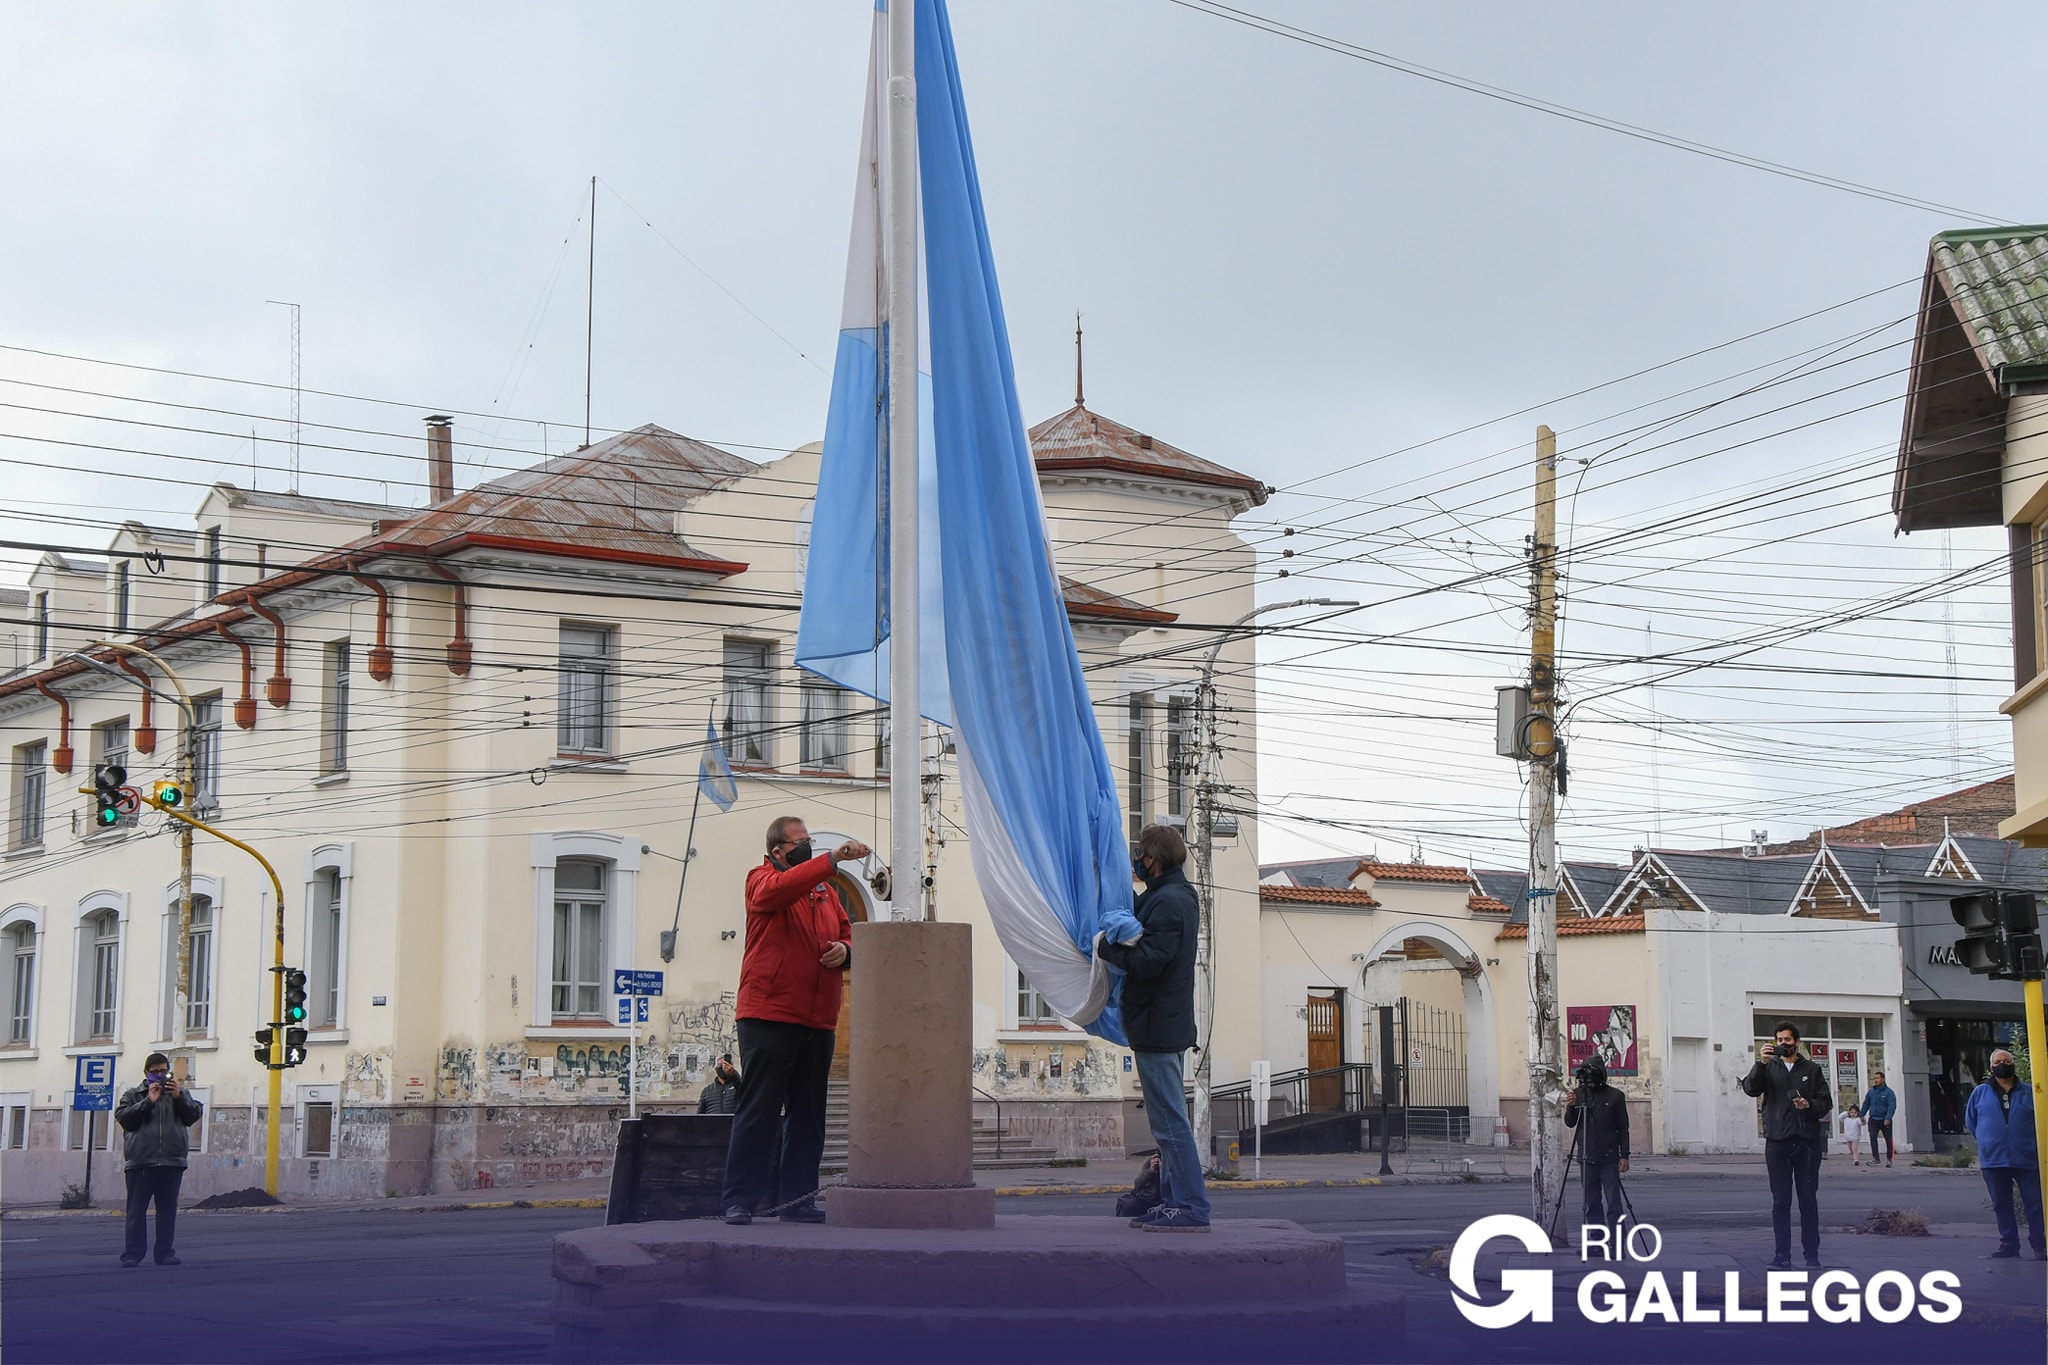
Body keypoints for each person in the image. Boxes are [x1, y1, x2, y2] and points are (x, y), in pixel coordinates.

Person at [720, 816, 866, 1226]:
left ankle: (797, 1200)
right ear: (779, 850)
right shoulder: (761, 878)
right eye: (801, 843)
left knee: (808, 1114)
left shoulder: (824, 892)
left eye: (810, 842)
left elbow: (849, 932)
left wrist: (845, 950)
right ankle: (739, 1200)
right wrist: (831, 860)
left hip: (818, 1017)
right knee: (759, 1109)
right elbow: (780, 891)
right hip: (770, 1013)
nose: (808, 847)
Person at [1096, 824, 1210, 1233]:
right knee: (1165, 1122)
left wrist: (1105, 947)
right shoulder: (1168, 897)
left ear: (1155, 860)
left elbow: (1146, 961)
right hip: (1159, 1026)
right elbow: (1139, 920)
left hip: (1160, 1028)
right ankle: (1170, 1201)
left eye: (1141, 854)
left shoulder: (1170, 903)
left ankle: (1191, 1208)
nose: (1137, 862)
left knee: (1169, 1122)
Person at [1739, 1021, 1833, 1269]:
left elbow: (1826, 1102)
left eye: (1788, 1040)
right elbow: (1750, 1089)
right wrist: (1761, 1063)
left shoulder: (1811, 1069)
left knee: (1807, 1200)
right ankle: (1782, 1255)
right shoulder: (1769, 1067)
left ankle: (1812, 1255)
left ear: (1797, 1042)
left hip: (1807, 1143)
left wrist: (1809, 1105)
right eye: (1779, 1040)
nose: (1783, 1044)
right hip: (1777, 1141)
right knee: (1780, 1201)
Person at [112, 1053, 203, 1267]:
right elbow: (125, 1119)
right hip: (141, 1161)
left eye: (164, 1071)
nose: (160, 1076)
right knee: (136, 1211)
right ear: (146, 1073)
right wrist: (148, 1101)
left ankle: (165, 1253)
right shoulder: (133, 1094)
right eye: (155, 1072)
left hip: (172, 1161)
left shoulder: (180, 1094)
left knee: (167, 1211)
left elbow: (193, 1115)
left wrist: (179, 1097)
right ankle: (133, 1253)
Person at [1963, 1048, 2044, 1260]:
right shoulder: (1980, 1093)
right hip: (1994, 1159)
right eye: (1998, 1061)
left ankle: (2040, 1245)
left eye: (2007, 1060)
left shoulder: (2029, 1091)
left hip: (2027, 1158)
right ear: (1991, 1067)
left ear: (2013, 1064)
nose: (2003, 1064)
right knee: (2002, 1204)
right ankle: (2009, 1245)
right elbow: (1971, 1121)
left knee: (2034, 1204)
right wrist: (1987, 1140)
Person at [1563, 1058, 1631, 1236]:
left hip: (1609, 1158)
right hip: (1586, 1157)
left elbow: (1623, 1128)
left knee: (1613, 1204)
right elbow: (1570, 1123)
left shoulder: (1615, 1096)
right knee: (1591, 1203)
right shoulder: (1578, 1093)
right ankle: (1596, 1243)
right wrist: (1571, 1107)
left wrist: (1624, 1155)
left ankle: (1617, 1243)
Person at [1859, 1071, 1897, 1167]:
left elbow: (1892, 1106)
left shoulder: (1889, 1092)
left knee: (1888, 1139)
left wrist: (1888, 1118)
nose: (1876, 1080)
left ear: (1883, 1079)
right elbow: (1866, 1103)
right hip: (1873, 1119)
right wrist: (1861, 1114)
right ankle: (1876, 1158)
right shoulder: (1871, 1092)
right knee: (1872, 1137)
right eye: (1875, 1078)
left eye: (1878, 1078)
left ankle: (1889, 1159)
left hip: (1884, 1119)